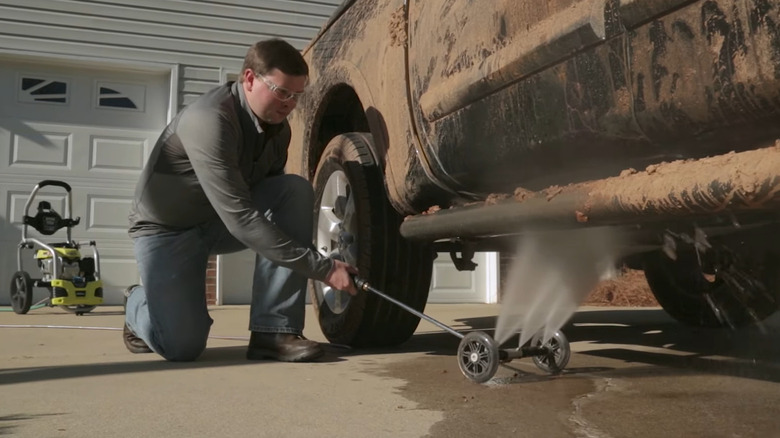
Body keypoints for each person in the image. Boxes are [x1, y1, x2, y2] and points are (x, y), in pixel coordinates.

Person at [123, 39, 357, 363]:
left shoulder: (279, 130)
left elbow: (271, 206)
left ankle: (274, 331)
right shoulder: (210, 121)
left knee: (293, 190)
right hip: (167, 232)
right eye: (282, 92)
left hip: (217, 224)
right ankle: (137, 303)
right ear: (249, 79)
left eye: (296, 96)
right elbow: (243, 219)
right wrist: (325, 268)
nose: (289, 104)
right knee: (182, 346)